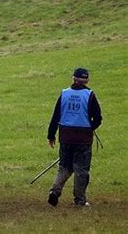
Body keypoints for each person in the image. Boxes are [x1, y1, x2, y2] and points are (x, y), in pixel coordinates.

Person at [46, 67, 102, 207]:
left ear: (73, 79)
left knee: (64, 167)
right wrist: (90, 128)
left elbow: (56, 116)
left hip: (65, 136)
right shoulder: (90, 95)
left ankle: (55, 191)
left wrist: (51, 135)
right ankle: (80, 200)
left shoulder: (64, 94)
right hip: (83, 138)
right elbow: (98, 118)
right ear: (87, 80)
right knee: (81, 170)